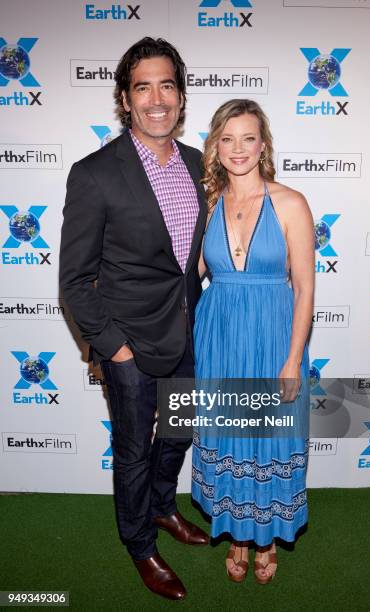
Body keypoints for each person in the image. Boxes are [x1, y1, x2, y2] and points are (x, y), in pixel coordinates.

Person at [59, 37, 209, 601]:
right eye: (142, 87)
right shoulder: (94, 173)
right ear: (125, 99)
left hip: (189, 332)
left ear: (180, 96)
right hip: (128, 344)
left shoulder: (200, 165)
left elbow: (190, 257)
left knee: (176, 435)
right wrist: (114, 350)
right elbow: (73, 280)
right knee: (131, 449)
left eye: (166, 85)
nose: (156, 99)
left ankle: (165, 508)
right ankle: (140, 543)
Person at [192, 99, 314, 584]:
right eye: (228, 138)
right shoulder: (209, 204)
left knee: (268, 440)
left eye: (248, 138)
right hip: (219, 337)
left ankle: (265, 540)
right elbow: (188, 275)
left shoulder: (290, 203)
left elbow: (304, 287)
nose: (238, 148)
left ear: (263, 145)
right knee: (230, 436)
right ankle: (238, 536)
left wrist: (291, 360)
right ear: (216, 147)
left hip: (271, 338)